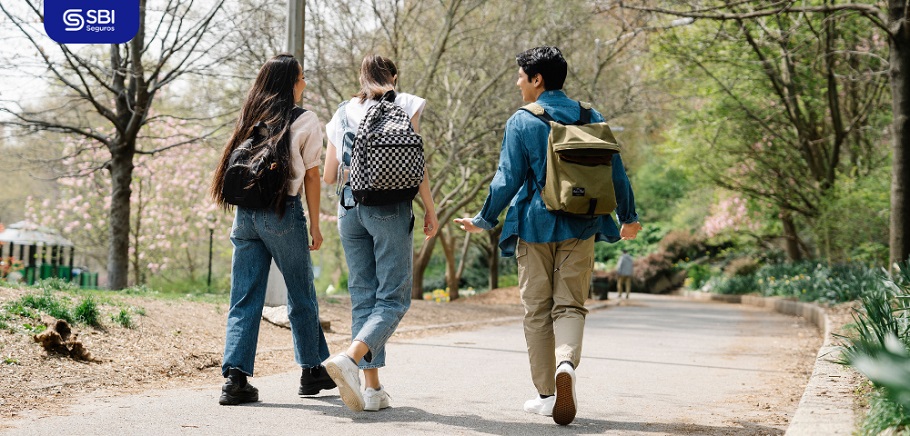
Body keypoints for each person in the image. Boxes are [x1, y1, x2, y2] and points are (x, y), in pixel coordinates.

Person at [454, 46, 642, 426]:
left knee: (537, 311)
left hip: (535, 225)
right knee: (570, 306)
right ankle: (566, 363)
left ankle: (546, 395)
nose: (517, 81)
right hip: (583, 225)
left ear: (537, 79)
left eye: (521, 75)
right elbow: (615, 173)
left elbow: (506, 179)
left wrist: (484, 218)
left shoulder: (522, 121)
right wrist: (629, 217)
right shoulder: (592, 116)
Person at [210, 53, 335, 406]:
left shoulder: (251, 115)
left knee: (244, 298)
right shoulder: (306, 120)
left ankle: (235, 380)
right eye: (302, 78)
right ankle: (311, 371)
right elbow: (312, 174)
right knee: (300, 292)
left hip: (245, 216)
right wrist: (315, 224)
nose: (305, 83)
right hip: (282, 213)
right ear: (290, 83)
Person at [321, 54, 439, 412]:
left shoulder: (342, 112)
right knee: (393, 299)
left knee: (364, 296)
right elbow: (415, 166)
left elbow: (328, 175)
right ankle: (351, 359)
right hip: (389, 209)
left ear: (361, 78)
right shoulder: (406, 104)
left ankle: (372, 390)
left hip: (348, 208)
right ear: (394, 76)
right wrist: (430, 210)